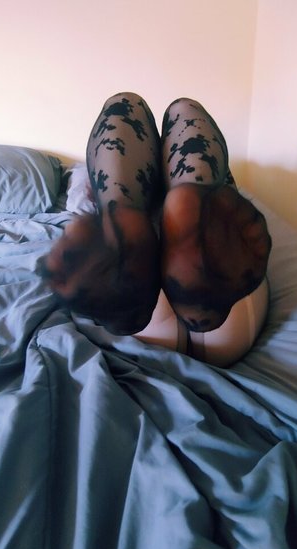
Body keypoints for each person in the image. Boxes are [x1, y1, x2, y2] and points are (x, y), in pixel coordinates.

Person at [40, 92, 272, 366]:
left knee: (125, 105)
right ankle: (197, 205)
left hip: (155, 332)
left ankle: (120, 218)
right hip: (227, 339)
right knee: (182, 109)